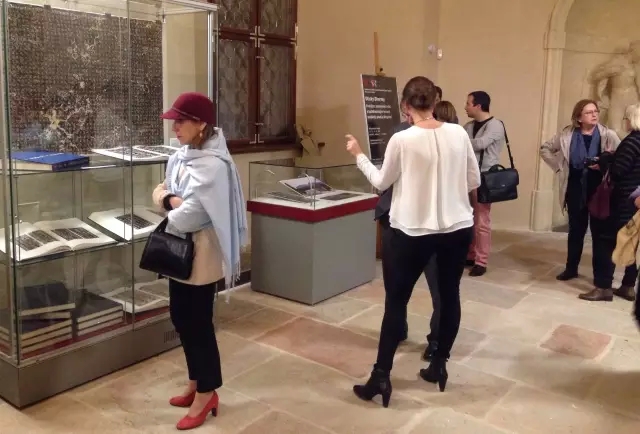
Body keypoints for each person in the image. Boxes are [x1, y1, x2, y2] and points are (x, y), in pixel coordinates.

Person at [348, 76, 480, 407]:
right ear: (434, 102)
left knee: (396, 302)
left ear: (405, 106)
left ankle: (381, 376)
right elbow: (473, 180)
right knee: (449, 297)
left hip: (412, 232)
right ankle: (439, 365)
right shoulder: (459, 133)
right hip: (456, 229)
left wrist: (359, 155)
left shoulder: (402, 139)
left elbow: (381, 182)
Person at [152, 92, 248, 430]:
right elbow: (162, 190)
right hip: (180, 253)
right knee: (180, 318)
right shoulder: (181, 156)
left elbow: (189, 216)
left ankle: (207, 392)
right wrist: (172, 198)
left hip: (202, 257)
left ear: (201, 124)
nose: (174, 128)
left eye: (181, 121)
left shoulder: (214, 165)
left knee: (199, 324)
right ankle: (196, 382)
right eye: (174, 121)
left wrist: (167, 201)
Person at [539, 99, 620, 301]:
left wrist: (604, 165)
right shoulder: (567, 134)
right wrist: (558, 166)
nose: (594, 114)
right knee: (576, 231)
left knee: (599, 234)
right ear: (578, 117)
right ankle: (571, 268)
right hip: (575, 188)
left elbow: (619, 159)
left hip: (598, 189)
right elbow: (545, 148)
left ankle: (599, 278)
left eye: (595, 111)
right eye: (589, 112)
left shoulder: (608, 135)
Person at [463, 91, 506, 276]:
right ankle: (470, 254)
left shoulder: (496, 125)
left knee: (481, 221)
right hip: (467, 177)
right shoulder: (468, 126)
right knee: (468, 218)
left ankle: (481, 261)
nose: (465, 107)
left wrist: (462, 141)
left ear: (478, 106)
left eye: (468, 103)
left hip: (485, 178)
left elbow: (481, 143)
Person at [601, 103, 640, 301]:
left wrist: (607, 159)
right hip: (637, 199)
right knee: (633, 242)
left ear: (632, 119)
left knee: (608, 241)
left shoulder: (632, 141)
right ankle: (628, 286)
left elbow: (618, 171)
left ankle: (603, 287)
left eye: (626, 117)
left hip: (625, 199)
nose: (624, 121)